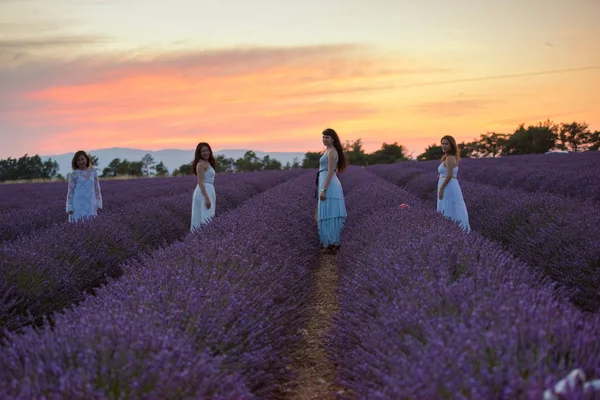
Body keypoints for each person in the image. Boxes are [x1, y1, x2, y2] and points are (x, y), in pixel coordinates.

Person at [316, 128, 347, 254]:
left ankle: (332, 243)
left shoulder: (332, 152)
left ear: (333, 139)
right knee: (327, 213)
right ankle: (328, 243)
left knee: (330, 214)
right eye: (323, 137)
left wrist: (323, 189)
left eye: (327, 137)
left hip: (330, 185)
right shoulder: (328, 150)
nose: (324, 139)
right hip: (326, 183)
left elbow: (330, 172)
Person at [437, 135, 471, 232]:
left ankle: (451, 231)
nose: (444, 146)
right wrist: (440, 176)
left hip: (448, 187)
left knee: (447, 207)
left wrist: (442, 188)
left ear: (451, 145)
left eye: (446, 144)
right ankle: (453, 230)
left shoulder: (450, 158)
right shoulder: (449, 157)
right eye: (442, 144)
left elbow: (450, 175)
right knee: (451, 206)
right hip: (450, 184)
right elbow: (449, 173)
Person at [66, 150, 102, 222]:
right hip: (78, 204)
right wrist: (69, 207)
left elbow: (97, 188)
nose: (81, 162)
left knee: (91, 223)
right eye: (78, 160)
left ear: (86, 159)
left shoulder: (93, 172)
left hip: (91, 202)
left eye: (82, 159)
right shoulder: (74, 174)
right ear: (75, 162)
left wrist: (98, 202)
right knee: (77, 224)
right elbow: (70, 191)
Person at [190, 142, 217, 231]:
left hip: (209, 190)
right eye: (203, 151)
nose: (206, 153)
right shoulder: (201, 164)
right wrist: (207, 198)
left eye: (207, 150)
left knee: (208, 216)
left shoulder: (207, 163)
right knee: (206, 217)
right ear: (199, 153)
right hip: (204, 192)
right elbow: (200, 182)